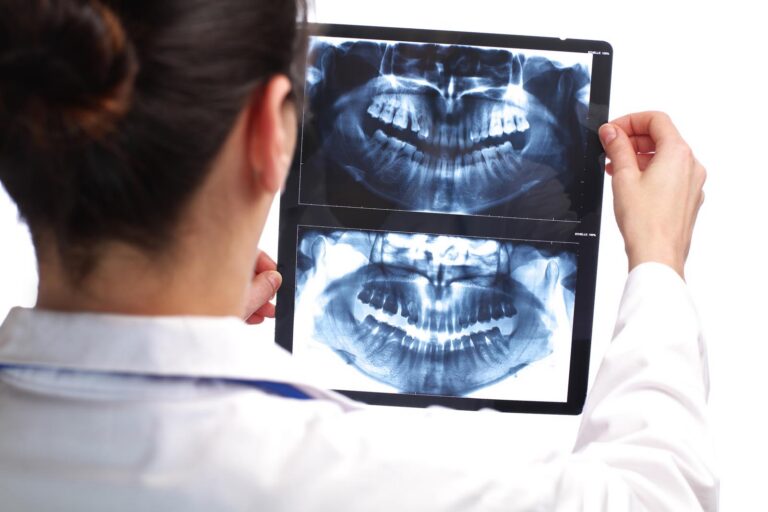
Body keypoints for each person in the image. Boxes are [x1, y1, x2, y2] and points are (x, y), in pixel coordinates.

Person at [0, 1, 716, 510]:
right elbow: (659, 497)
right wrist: (658, 260)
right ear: (270, 132)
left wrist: (186, 321)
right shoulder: (383, 480)